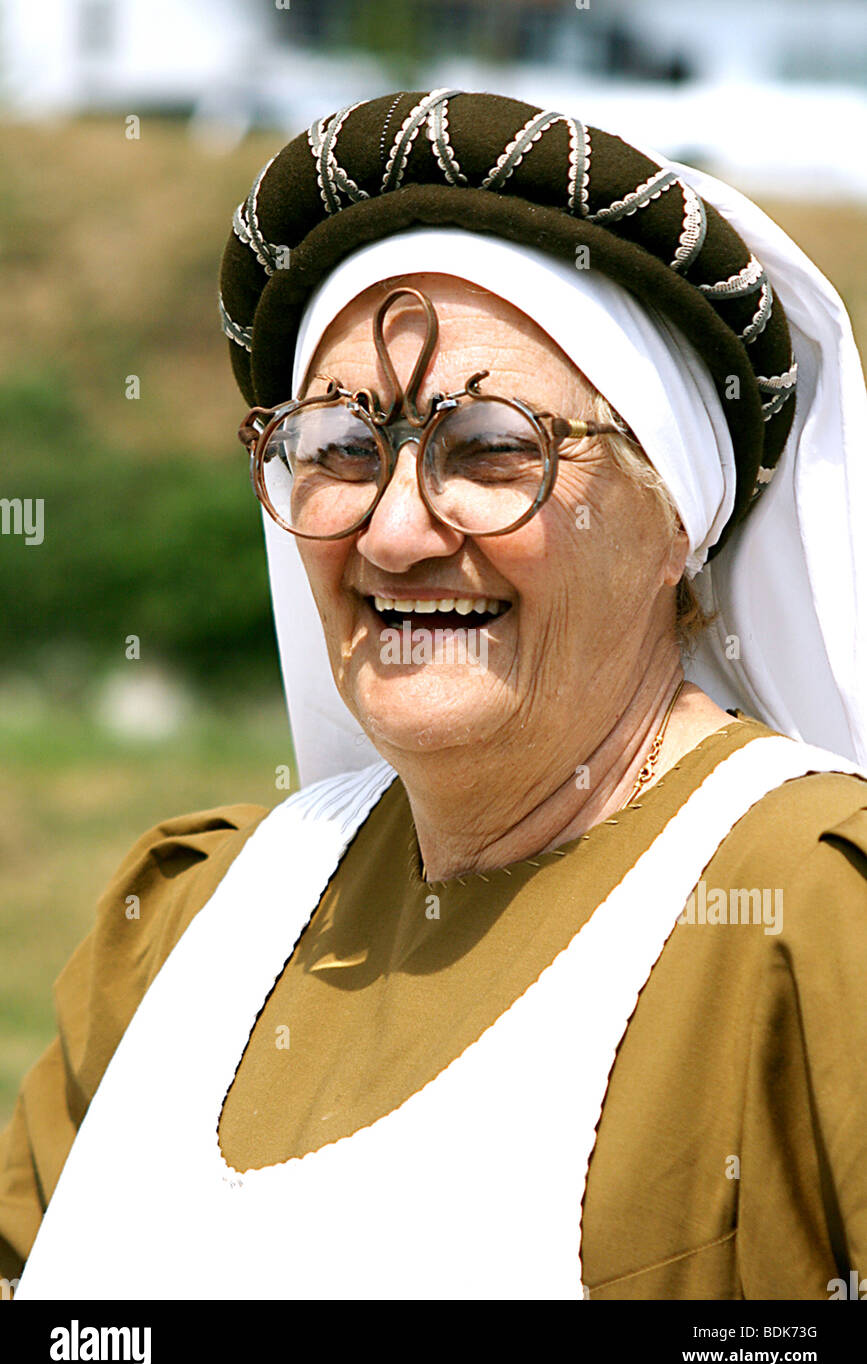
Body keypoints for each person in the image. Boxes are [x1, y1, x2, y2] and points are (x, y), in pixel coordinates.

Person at [3, 89, 867, 1301]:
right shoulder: (181, 932)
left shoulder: (815, 921)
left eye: (493, 445)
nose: (396, 529)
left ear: (677, 514)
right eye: (342, 451)